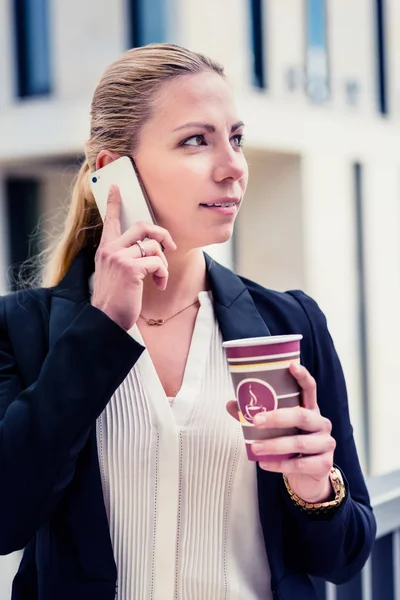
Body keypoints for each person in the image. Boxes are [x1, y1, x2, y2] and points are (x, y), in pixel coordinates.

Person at [0, 43, 375, 600]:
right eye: (195, 141)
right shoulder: (22, 329)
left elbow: (344, 558)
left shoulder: (289, 323)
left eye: (236, 138)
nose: (232, 167)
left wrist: (317, 489)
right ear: (114, 173)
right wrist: (101, 327)